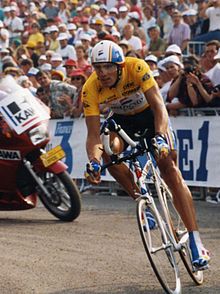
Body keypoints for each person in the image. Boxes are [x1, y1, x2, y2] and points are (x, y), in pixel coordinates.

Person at [82, 40, 210, 269]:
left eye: (108, 67)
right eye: (97, 68)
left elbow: (160, 107)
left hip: (150, 117)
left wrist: (160, 137)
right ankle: (142, 202)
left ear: (120, 65)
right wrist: (94, 160)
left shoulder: (137, 67)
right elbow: (92, 135)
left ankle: (195, 241)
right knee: (108, 151)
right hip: (122, 122)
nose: (102, 73)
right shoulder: (90, 87)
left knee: (169, 169)